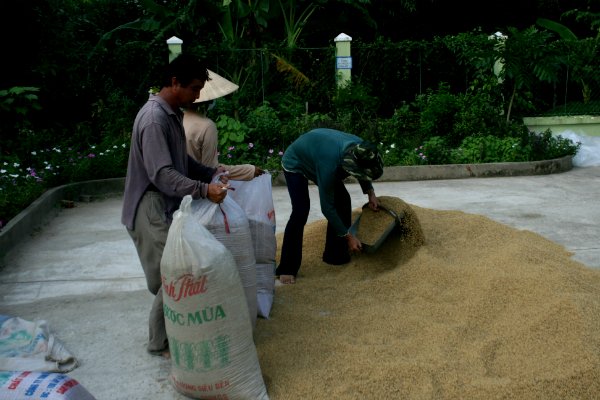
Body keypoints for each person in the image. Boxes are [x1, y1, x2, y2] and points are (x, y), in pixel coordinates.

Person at [121, 53, 230, 358]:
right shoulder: (155, 119)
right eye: (194, 88)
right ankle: (160, 343)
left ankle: (171, 336)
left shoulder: (170, 114)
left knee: (176, 273)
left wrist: (210, 173)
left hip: (162, 205)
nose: (197, 95)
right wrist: (203, 190)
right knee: (171, 279)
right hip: (150, 207)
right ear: (174, 82)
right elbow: (163, 174)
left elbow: (181, 162)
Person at [275, 128, 384, 284]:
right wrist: (349, 237)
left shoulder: (362, 148)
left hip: (319, 153)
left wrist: (370, 193)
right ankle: (287, 267)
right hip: (296, 162)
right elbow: (327, 207)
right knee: (300, 211)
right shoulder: (329, 165)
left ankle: (335, 256)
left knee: (343, 201)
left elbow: (363, 170)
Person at [183, 99, 264, 180]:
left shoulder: (176, 119)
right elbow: (210, 169)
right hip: (196, 186)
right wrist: (248, 170)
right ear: (208, 102)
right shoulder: (206, 126)